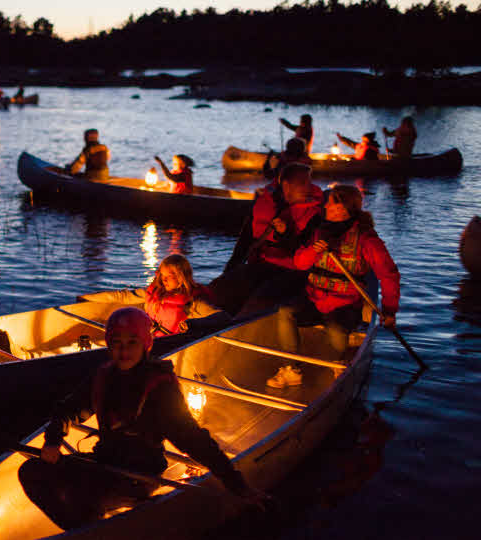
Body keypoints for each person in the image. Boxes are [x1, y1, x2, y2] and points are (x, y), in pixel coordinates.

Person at [18, 307, 268, 529]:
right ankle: (84, 528)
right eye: (116, 342)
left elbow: (191, 438)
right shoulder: (103, 376)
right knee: (31, 471)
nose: (123, 350)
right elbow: (68, 409)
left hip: (139, 475)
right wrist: (52, 440)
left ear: (146, 344)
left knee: (85, 494)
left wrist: (235, 482)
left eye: (132, 342)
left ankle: (90, 527)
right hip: (103, 461)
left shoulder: (158, 386)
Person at [269, 185, 399, 388]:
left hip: (345, 303)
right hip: (314, 297)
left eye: (331, 202)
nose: (326, 206)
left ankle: (339, 362)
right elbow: (300, 263)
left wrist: (390, 310)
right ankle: (291, 369)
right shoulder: (319, 230)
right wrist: (314, 251)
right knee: (285, 312)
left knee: (336, 331)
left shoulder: (367, 239)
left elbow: (389, 275)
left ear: (342, 208)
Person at [209, 163, 323, 315]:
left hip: (294, 271)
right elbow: (245, 242)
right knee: (218, 288)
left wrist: (285, 233)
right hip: (263, 263)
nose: (309, 188)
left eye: (309, 182)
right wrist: (229, 271)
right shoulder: (265, 203)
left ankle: (240, 323)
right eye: (303, 183)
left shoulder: (316, 213)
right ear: (286, 186)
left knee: (260, 298)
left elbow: (305, 253)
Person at [77, 254, 223, 336]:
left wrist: (195, 323)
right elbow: (122, 296)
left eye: (169, 276)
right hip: (149, 342)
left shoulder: (193, 302)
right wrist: (88, 298)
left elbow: (223, 317)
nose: (163, 279)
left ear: (181, 277)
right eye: (162, 275)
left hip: (171, 347)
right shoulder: (156, 293)